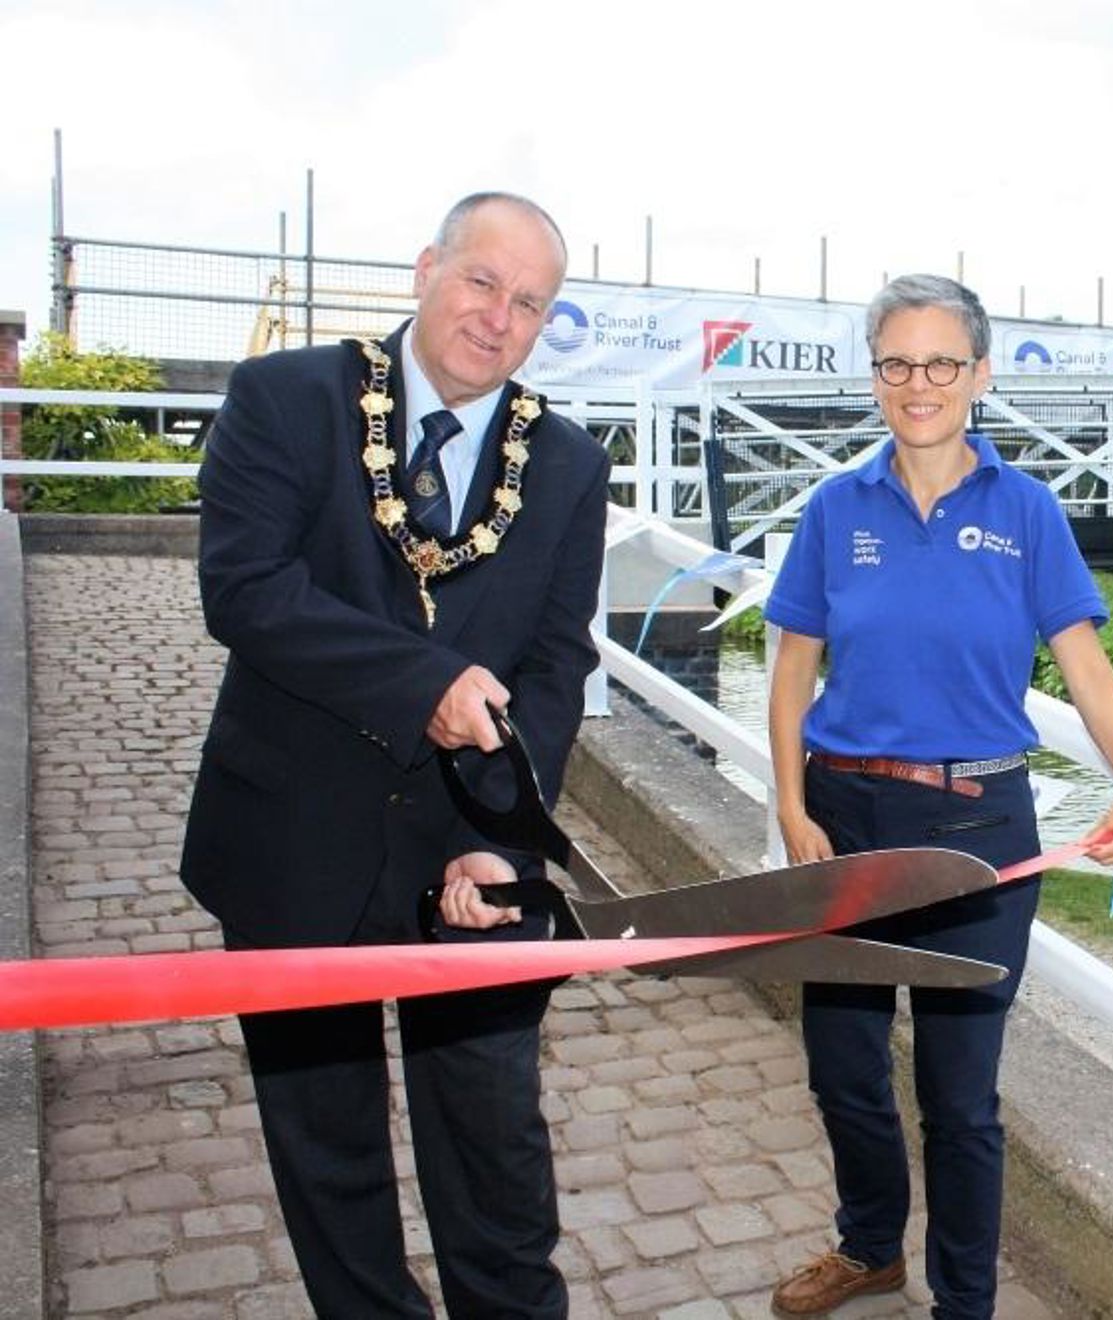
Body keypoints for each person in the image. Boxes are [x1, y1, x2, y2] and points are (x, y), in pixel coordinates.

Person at [179, 192, 608, 1318]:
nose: (498, 318)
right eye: (482, 282)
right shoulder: (287, 398)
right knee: (328, 1153)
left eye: (529, 304)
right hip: (290, 842)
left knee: (495, 1149)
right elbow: (247, 590)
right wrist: (424, 687)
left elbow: (557, 667)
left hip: (469, 859)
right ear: (426, 269)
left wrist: (501, 843)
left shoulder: (565, 461)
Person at [763, 274, 1113, 1319]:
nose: (919, 383)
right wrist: (792, 802)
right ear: (877, 375)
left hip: (981, 827)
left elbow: (1085, 664)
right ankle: (868, 1249)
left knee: (959, 1098)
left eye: (942, 362)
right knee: (842, 1065)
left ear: (979, 375)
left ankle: (965, 1304)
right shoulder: (836, 507)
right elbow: (794, 668)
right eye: (897, 362)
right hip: (846, 819)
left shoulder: (1027, 512)